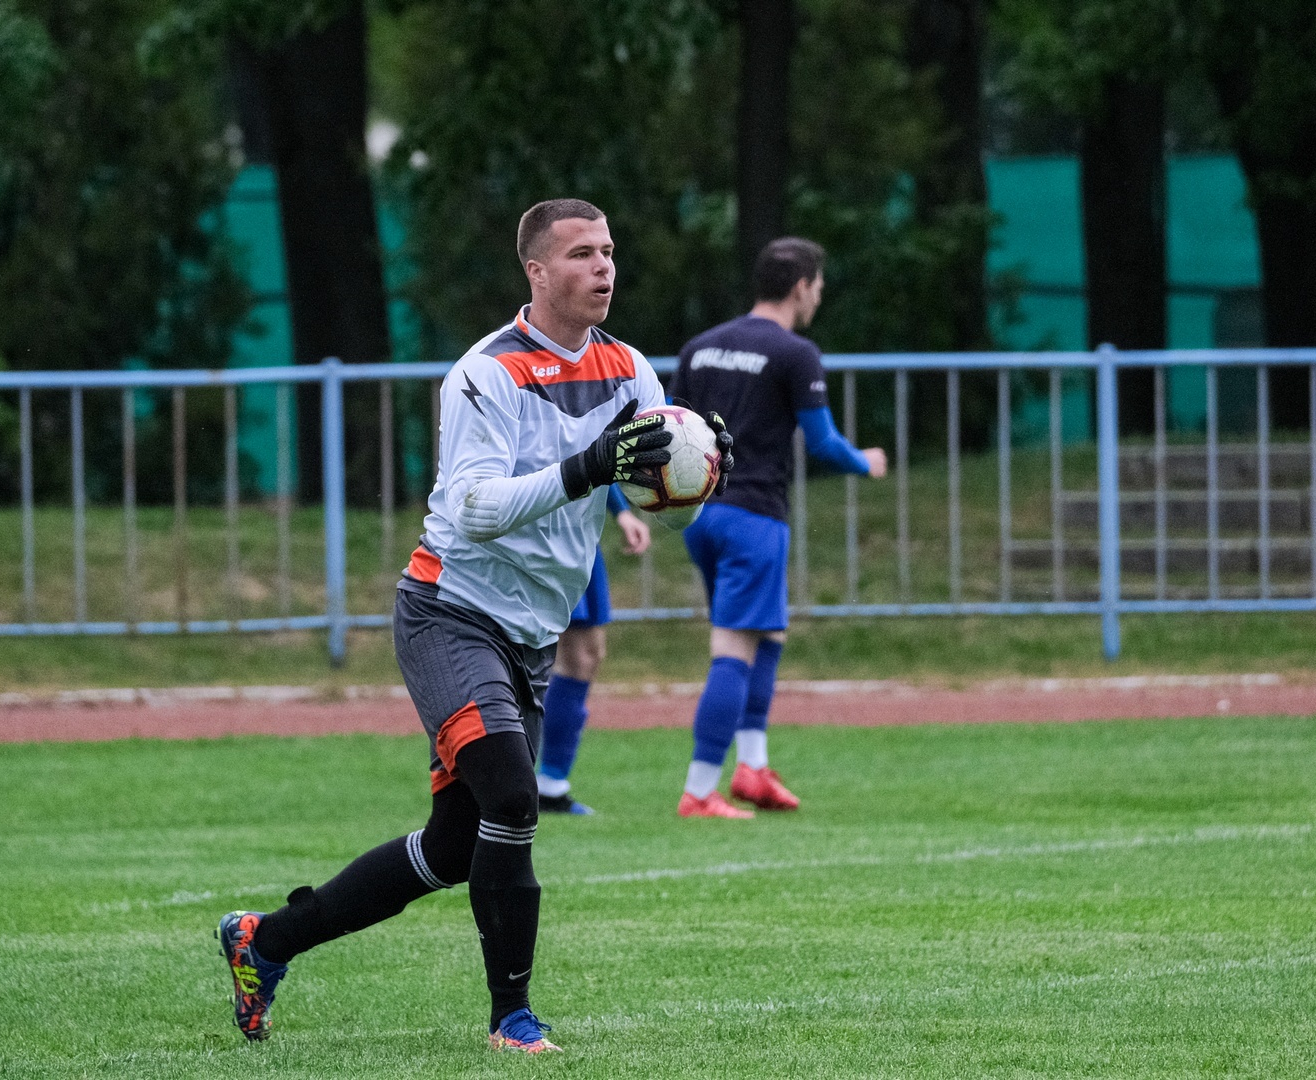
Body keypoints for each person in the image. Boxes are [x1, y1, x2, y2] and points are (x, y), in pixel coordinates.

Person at [214, 198, 731, 1052]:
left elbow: (656, 506)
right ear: (537, 270)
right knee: (515, 797)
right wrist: (587, 467)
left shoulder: (633, 370)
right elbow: (478, 510)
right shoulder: (484, 373)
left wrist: (698, 479)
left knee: (456, 847)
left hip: (532, 638)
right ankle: (511, 1020)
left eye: (608, 250)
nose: (603, 266)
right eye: (581, 254)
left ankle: (265, 941)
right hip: (449, 615)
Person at [669, 237, 886, 819]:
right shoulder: (795, 352)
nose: (819, 296)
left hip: (703, 514)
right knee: (734, 647)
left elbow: (669, 427)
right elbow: (823, 444)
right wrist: (865, 461)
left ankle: (754, 768)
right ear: (801, 287)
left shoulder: (701, 347)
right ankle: (699, 790)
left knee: (767, 634)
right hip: (755, 516)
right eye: (819, 286)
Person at [536, 487, 652, 815]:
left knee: (584, 656)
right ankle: (485, 786)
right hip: (537, 525)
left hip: (577, 530)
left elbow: (589, 453)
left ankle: (550, 786)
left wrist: (621, 510)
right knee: (511, 653)